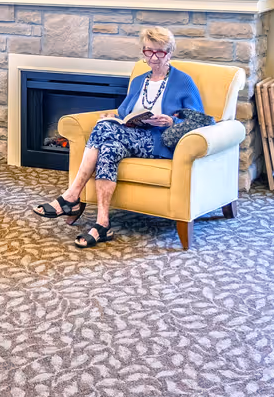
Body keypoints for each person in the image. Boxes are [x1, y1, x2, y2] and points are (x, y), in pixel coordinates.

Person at [32, 26, 204, 247]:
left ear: (169, 53)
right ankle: (102, 223)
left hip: (159, 142)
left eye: (159, 52)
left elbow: (200, 120)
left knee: (103, 129)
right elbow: (125, 113)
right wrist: (112, 116)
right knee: (108, 147)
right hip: (132, 136)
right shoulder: (139, 80)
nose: (153, 58)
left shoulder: (183, 81)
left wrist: (172, 121)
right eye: (148, 52)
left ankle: (72, 195)